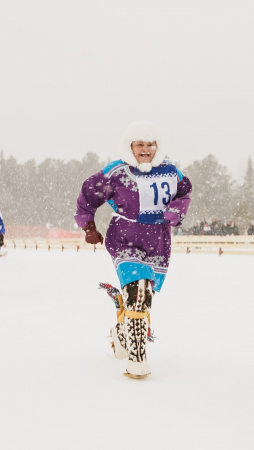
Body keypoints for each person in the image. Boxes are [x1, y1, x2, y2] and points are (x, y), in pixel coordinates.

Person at [75, 120, 192, 379]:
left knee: (143, 298)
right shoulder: (117, 172)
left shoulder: (170, 171)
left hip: (158, 243)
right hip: (124, 239)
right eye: (139, 144)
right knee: (138, 293)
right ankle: (137, 359)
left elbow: (185, 193)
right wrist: (89, 226)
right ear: (129, 146)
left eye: (151, 144)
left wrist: (176, 210)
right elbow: (88, 194)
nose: (146, 149)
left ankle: (121, 332)